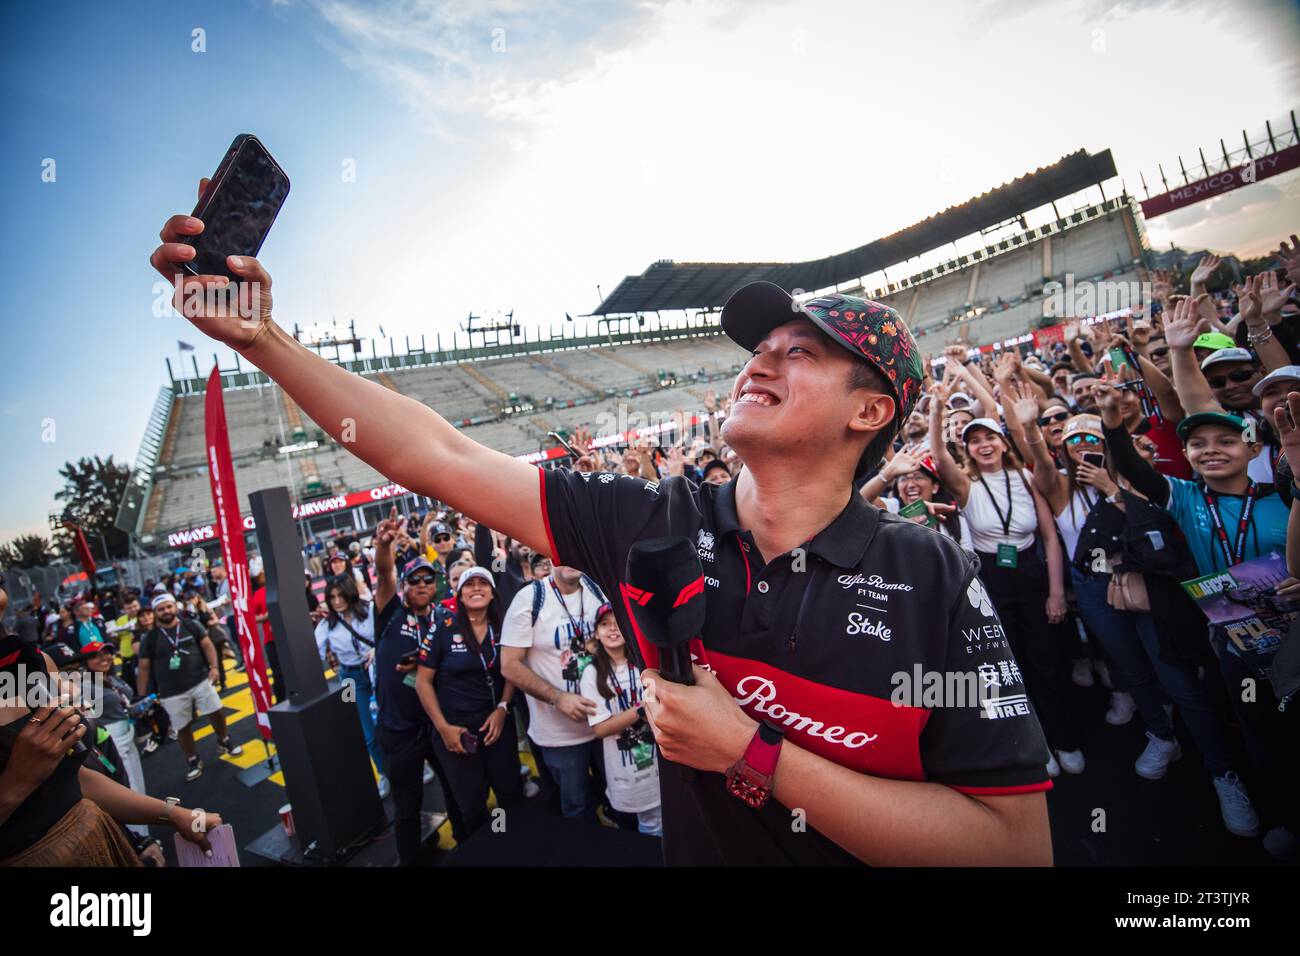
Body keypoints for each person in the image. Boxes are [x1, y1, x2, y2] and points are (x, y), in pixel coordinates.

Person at [150, 209, 1053, 864]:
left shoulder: (931, 572)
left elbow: (1012, 848)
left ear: (872, 410)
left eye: (801, 351)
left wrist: (752, 753)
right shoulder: (647, 519)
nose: (760, 361)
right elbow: (435, 453)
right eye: (760, 345)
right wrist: (263, 338)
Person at [1014, 394, 1260, 835]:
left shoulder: (1131, 477)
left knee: (1175, 676)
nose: (1082, 445)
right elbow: (1035, 453)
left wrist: (1112, 490)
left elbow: (1161, 531)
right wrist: (1031, 427)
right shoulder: (1059, 485)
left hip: (1147, 584)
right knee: (1131, 670)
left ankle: (1224, 772)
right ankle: (1161, 735)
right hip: (1093, 588)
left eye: (1091, 437)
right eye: (1073, 439)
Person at [929, 387, 1084, 777]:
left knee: (1047, 660)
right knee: (1010, 665)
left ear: (1002, 441)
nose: (983, 445)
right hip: (991, 580)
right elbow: (939, 455)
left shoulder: (1026, 478)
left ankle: (1064, 737)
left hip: (1032, 571)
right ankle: (1036, 746)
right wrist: (935, 412)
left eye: (989, 437)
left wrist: (1056, 592)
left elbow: (1050, 537)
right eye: (974, 440)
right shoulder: (967, 485)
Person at [0, 635, 221, 865]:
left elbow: (74, 780)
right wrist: (15, 783)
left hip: (100, 841)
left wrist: (172, 814)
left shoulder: (32, 661)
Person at [370, 515, 466, 865]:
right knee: (407, 807)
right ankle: (411, 860)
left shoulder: (443, 618)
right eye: (415, 579)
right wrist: (384, 545)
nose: (422, 584)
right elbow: (384, 575)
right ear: (405, 585)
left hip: (436, 726)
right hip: (399, 729)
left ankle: (467, 844)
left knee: (455, 792)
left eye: (428, 579)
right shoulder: (390, 612)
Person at [415, 567, 524, 837]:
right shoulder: (442, 628)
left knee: (511, 795)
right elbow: (422, 682)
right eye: (469, 585)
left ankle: (515, 848)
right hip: (456, 731)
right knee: (472, 806)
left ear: (491, 593)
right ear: (460, 596)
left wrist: (502, 707)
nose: (477, 588)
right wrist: (443, 728)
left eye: (483, 584)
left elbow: (512, 668)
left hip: (496, 724)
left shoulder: (503, 627)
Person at [500, 563, 605, 821]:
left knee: (616, 800)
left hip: (607, 725)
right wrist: (558, 698)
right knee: (577, 809)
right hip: (561, 736)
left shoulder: (597, 589)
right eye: (560, 553)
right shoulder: (530, 598)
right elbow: (509, 665)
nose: (569, 559)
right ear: (548, 557)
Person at [136, 593, 242, 781]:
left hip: (200, 680)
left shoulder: (190, 625)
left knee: (216, 711)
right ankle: (192, 759)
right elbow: (143, 668)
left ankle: (224, 740)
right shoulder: (150, 638)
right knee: (182, 727)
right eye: (161, 609)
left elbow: (208, 645)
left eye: (168, 607)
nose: (166, 611)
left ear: (175, 607)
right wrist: (142, 696)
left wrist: (215, 667)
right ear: (155, 613)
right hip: (170, 691)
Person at [581, 603, 661, 836]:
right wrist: (641, 710)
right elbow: (601, 729)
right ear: (596, 633)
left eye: (618, 624)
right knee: (648, 826)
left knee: (662, 819)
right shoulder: (591, 673)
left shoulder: (645, 664)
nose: (612, 630)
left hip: (657, 761)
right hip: (623, 767)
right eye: (605, 624)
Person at [313, 573, 387, 798]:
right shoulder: (327, 624)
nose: (336, 601)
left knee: (395, 719)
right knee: (367, 731)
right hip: (349, 678)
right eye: (332, 597)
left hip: (379, 670)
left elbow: (388, 632)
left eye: (340, 595)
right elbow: (313, 651)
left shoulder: (370, 610)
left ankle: (417, 763)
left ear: (350, 593)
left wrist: (378, 649)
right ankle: (385, 772)